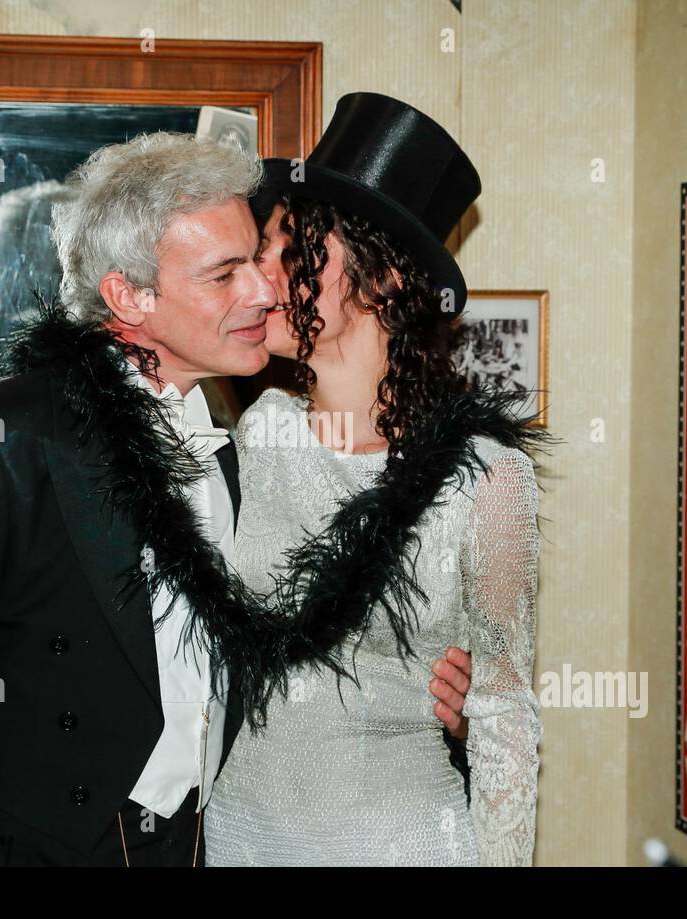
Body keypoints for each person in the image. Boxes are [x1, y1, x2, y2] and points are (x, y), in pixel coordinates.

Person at [0, 130, 470, 866]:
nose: (266, 290)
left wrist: (442, 696)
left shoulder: (247, 453)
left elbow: (303, 653)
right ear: (129, 296)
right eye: (225, 273)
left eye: (255, 263)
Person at [203, 93, 554, 866]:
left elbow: (501, 716)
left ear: (386, 277)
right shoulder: (259, 436)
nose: (261, 280)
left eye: (286, 251)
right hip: (242, 841)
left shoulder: (489, 480)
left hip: (399, 842)